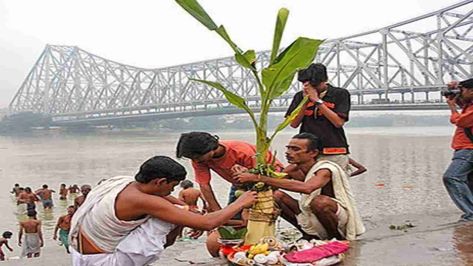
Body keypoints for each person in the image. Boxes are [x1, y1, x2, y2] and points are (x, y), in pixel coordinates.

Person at [69, 155, 256, 266]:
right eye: (172, 186)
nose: (172, 191)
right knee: (167, 218)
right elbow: (208, 223)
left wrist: (185, 212)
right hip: (103, 261)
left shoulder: (125, 182)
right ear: (159, 182)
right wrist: (241, 202)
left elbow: (168, 201)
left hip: (81, 255)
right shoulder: (142, 200)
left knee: (175, 211)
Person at [234, 133, 365, 240]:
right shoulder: (292, 169)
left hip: (335, 215)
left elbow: (307, 188)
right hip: (309, 213)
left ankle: (335, 238)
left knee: (319, 202)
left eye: (295, 149)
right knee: (276, 196)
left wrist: (259, 178)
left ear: (313, 153)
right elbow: (269, 186)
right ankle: (307, 234)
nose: (288, 152)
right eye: (288, 148)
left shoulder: (324, 169)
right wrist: (248, 175)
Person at [176, 131, 283, 213]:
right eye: (192, 158)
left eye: (197, 157)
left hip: (268, 179)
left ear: (209, 148)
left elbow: (258, 177)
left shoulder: (240, 151)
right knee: (231, 215)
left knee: (263, 211)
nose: (195, 161)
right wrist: (218, 212)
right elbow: (204, 185)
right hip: (239, 184)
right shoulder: (199, 160)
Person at [286, 63, 351, 171]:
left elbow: (338, 122)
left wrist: (317, 101)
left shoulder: (340, 94)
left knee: (334, 185)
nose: (310, 87)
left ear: (324, 80)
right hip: (308, 153)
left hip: (333, 150)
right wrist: (305, 102)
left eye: (314, 85)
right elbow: (294, 124)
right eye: (305, 84)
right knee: (310, 185)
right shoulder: (299, 96)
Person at [443, 78, 473, 222]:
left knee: (452, 177)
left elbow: (461, 121)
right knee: (468, 182)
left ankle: (471, 214)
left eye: (463, 90)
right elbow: (464, 104)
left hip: (469, 149)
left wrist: (452, 106)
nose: (460, 93)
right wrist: (455, 90)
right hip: (465, 147)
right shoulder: (469, 105)